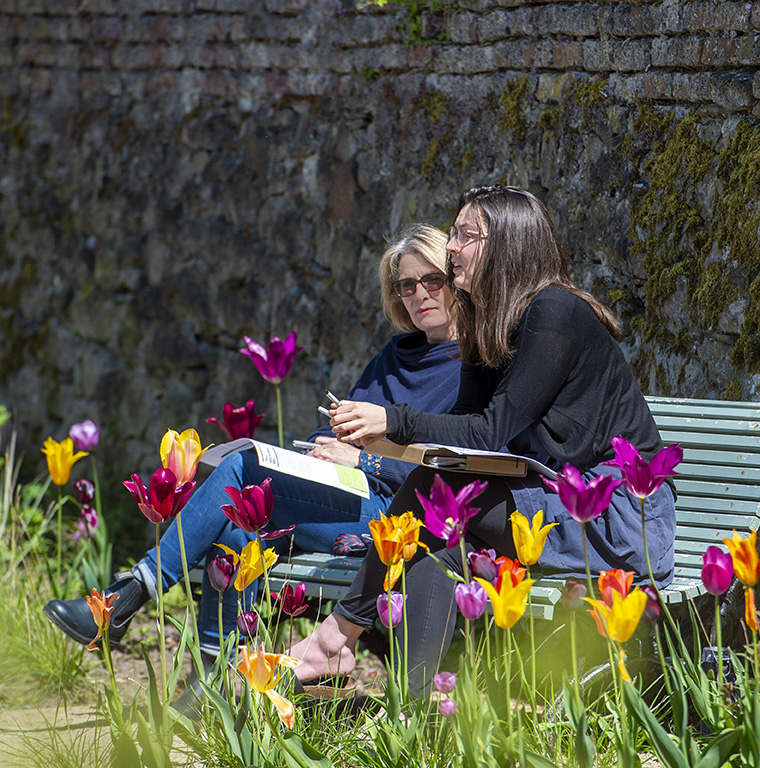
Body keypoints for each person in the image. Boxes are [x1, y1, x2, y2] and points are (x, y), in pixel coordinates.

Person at [289, 186, 676, 696]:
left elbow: (490, 431)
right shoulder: (481, 319)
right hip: (555, 496)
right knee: (440, 523)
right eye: (453, 232)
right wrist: (380, 446)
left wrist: (393, 420)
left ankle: (335, 638)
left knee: (435, 495)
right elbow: (471, 438)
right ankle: (414, 711)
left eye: (466, 235)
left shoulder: (554, 313)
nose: (450, 246)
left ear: (508, 245)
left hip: (615, 511)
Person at [43, 224, 463, 658]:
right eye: (407, 285)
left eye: (432, 280)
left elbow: (455, 466)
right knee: (237, 529)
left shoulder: (473, 367)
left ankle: (128, 596)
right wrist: (320, 449)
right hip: (346, 496)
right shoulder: (395, 356)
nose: (420, 294)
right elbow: (337, 425)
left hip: (398, 514)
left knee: (245, 468)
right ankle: (213, 681)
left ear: (454, 282)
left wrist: (365, 462)